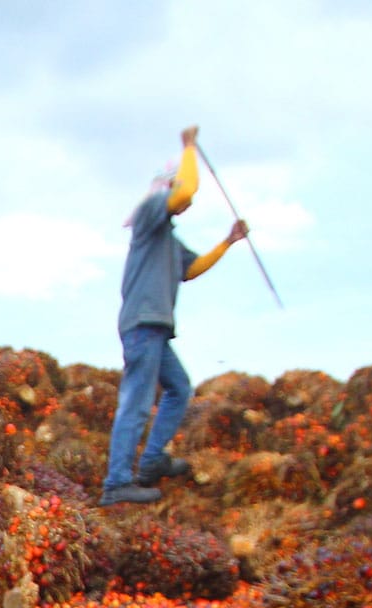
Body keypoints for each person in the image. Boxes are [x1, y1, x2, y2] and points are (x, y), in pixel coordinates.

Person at [101, 125, 249, 506]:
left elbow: (192, 268)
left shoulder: (167, 237)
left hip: (156, 329)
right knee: (136, 400)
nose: (187, 203)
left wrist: (228, 242)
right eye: (180, 196)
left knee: (179, 388)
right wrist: (189, 150)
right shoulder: (150, 213)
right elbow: (186, 189)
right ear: (166, 189)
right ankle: (117, 484)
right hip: (142, 325)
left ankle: (151, 462)